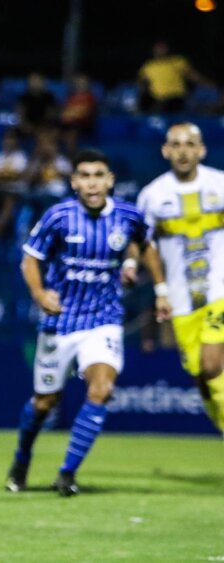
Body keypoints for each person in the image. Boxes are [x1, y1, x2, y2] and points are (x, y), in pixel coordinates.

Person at [5, 149, 171, 497]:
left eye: (99, 175)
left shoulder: (128, 216)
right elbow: (30, 259)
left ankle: (67, 473)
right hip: (59, 322)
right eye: (85, 175)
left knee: (102, 389)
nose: (92, 182)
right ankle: (21, 459)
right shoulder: (58, 216)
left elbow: (146, 244)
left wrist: (160, 288)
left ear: (110, 180)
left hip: (104, 320)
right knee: (43, 404)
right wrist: (39, 294)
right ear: (74, 181)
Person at [137, 123, 224, 433]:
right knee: (200, 375)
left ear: (201, 150)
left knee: (213, 364)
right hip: (182, 298)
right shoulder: (153, 195)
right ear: (166, 151)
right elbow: (141, 244)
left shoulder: (220, 184)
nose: (183, 150)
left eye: (190, 144)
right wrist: (154, 283)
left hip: (219, 290)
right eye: (176, 144)